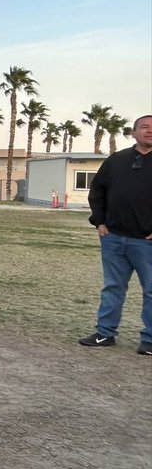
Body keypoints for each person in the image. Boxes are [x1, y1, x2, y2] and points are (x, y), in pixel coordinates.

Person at [79, 114, 152, 354]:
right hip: (113, 238)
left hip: (146, 242)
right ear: (133, 132)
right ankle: (105, 333)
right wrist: (99, 222)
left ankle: (150, 340)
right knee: (113, 287)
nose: (149, 131)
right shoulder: (116, 160)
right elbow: (97, 191)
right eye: (144, 127)